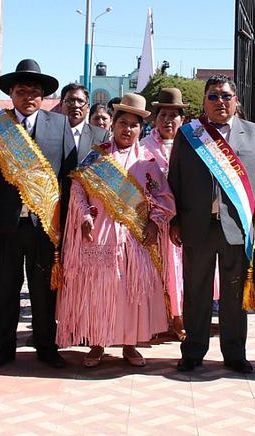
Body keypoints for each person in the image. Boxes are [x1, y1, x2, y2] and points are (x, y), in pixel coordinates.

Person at [0, 60, 76, 369]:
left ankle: (46, 347)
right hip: (5, 225)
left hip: (45, 223)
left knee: (44, 290)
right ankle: (3, 349)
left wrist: (66, 220)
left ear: (43, 97)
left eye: (35, 92)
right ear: (11, 94)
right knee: (5, 289)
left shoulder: (58, 125)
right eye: (22, 91)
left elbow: (68, 175)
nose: (28, 97)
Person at [57, 93, 175, 366]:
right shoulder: (96, 157)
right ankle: (98, 342)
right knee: (100, 291)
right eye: (123, 123)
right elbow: (77, 188)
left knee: (131, 291)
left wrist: (154, 224)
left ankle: (130, 344)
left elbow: (164, 199)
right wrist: (84, 216)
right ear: (114, 124)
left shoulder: (147, 162)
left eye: (134, 125)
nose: (127, 129)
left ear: (140, 129)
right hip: (99, 235)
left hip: (135, 238)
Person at [168, 74, 255, 374]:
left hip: (237, 228)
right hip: (197, 225)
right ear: (204, 101)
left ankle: (235, 352)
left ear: (236, 101)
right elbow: (174, 180)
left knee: (234, 293)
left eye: (226, 96)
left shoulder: (253, 133)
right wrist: (176, 220)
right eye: (213, 96)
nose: (220, 102)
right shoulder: (189, 134)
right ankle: (193, 350)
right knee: (196, 292)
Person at [140, 87, 187, 339]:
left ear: (183, 119)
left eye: (174, 115)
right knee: (156, 269)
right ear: (155, 119)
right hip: (156, 220)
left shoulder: (192, 144)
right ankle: (156, 319)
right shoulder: (144, 147)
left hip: (185, 219)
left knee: (180, 269)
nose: (168, 121)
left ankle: (180, 317)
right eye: (163, 115)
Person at [60, 83, 110, 163]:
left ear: (88, 107)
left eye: (80, 101)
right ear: (61, 104)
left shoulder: (101, 136)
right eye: (70, 101)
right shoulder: (48, 131)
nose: (75, 105)